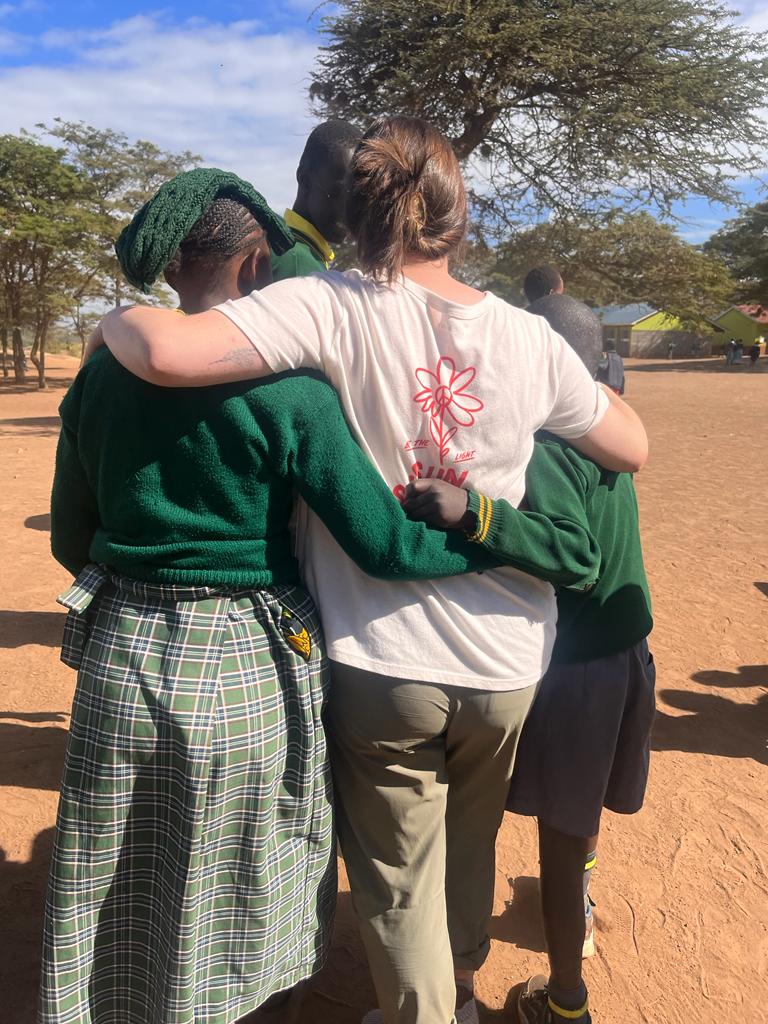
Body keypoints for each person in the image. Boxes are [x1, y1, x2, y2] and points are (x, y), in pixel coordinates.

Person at [86, 117, 648, 1024]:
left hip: (385, 656)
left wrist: (112, 314)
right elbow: (630, 444)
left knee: (395, 875)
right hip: (509, 659)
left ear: (355, 215)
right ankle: (458, 986)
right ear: (458, 219)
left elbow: (163, 349)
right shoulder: (528, 337)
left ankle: (429, 1013)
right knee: (468, 843)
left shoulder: (326, 305)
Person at [40, 167, 530, 1024]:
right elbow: (384, 543)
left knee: (124, 862)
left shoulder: (99, 380)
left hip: (120, 655)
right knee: (250, 870)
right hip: (247, 668)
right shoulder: (293, 392)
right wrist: (498, 545)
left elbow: (69, 541)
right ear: (260, 263)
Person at [404, 292, 654, 1024]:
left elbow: (573, 554)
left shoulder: (548, 440)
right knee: (578, 826)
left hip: (577, 672)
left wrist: (475, 514)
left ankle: (566, 1000)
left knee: (556, 844)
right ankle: (581, 897)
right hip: (626, 651)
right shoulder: (608, 423)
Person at [271, 119, 362, 281]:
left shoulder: (287, 246)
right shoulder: (299, 265)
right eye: (340, 194)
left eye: (357, 198)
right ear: (304, 178)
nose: (350, 211)